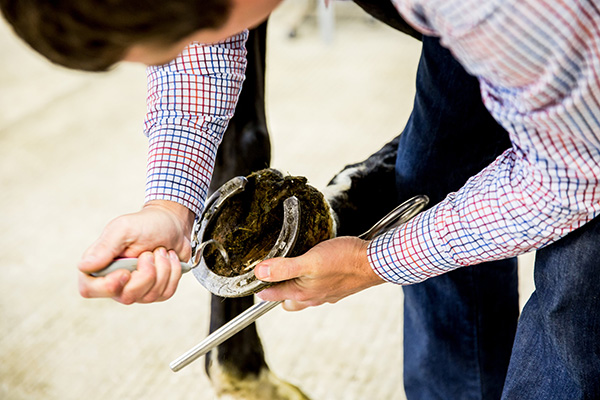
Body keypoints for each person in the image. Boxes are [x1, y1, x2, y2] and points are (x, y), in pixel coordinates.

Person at [2, 0, 599, 398]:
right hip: (520, 42)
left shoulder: (497, 9)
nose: (192, 45)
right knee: (433, 175)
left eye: (182, 36)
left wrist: (375, 261)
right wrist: (169, 204)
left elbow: (573, 175)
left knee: (580, 287)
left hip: (570, 54)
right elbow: (207, 36)